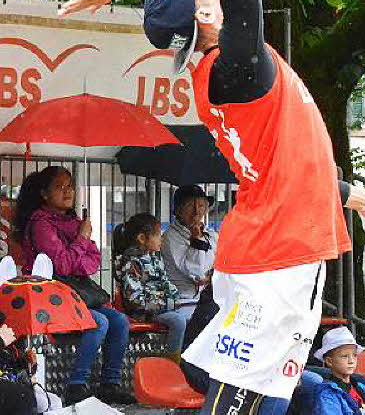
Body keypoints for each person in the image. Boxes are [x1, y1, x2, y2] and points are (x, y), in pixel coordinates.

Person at [60, 0, 365, 413]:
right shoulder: (236, 64)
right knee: (240, 395)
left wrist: (356, 197)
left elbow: (288, 175)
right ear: (205, 16)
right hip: (276, 259)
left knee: (266, 392)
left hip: (269, 249)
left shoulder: (230, 78)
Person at [12, 166, 134, 405]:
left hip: (75, 294)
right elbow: (65, 265)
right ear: (45, 194)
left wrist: (78, 248)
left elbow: (92, 262)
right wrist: (82, 239)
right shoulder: (41, 225)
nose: (68, 191)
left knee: (120, 321)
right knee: (98, 322)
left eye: (69, 186)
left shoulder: (75, 222)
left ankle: (110, 383)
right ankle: (76, 385)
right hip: (50, 296)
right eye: (60, 186)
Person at [112, 212, 189, 353]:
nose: (161, 239)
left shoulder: (155, 259)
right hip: (143, 312)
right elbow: (135, 300)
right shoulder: (131, 263)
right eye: (157, 235)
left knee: (190, 317)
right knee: (178, 321)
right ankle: (172, 363)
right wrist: (167, 302)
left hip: (162, 306)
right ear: (142, 238)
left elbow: (166, 284)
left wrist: (173, 297)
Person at [307, 327, 365, 415]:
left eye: (354, 355)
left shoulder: (361, 387)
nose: (351, 361)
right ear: (329, 361)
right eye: (345, 356)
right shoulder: (327, 395)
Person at [161, 184, 218, 310]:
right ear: (178, 211)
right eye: (190, 206)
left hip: (209, 300)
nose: (197, 211)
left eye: (201, 206)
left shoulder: (211, 235)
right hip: (182, 302)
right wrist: (197, 240)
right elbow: (196, 274)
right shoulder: (170, 237)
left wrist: (214, 276)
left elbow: (223, 265)